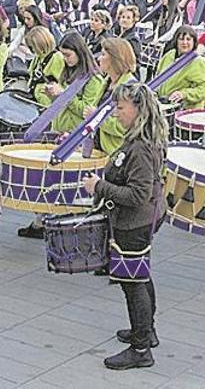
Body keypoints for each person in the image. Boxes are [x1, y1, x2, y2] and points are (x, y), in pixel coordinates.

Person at [81, 82, 165, 370]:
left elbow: (138, 195)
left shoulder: (140, 148)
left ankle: (140, 348)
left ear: (138, 109)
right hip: (138, 221)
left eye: (120, 108)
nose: (116, 113)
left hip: (134, 223)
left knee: (133, 284)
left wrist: (99, 186)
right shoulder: (138, 139)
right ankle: (146, 331)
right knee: (140, 277)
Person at [155, 26, 205, 109]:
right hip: (164, 107)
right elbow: (158, 78)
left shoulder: (198, 62)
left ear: (194, 42)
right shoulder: (168, 55)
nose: (184, 42)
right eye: (181, 39)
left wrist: (183, 94)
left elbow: (204, 89)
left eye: (188, 39)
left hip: (186, 111)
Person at [25, 25, 64, 101]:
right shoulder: (38, 57)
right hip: (35, 99)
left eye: (33, 46)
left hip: (47, 103)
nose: (32, 50)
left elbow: (61, 83)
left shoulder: (57, 57)